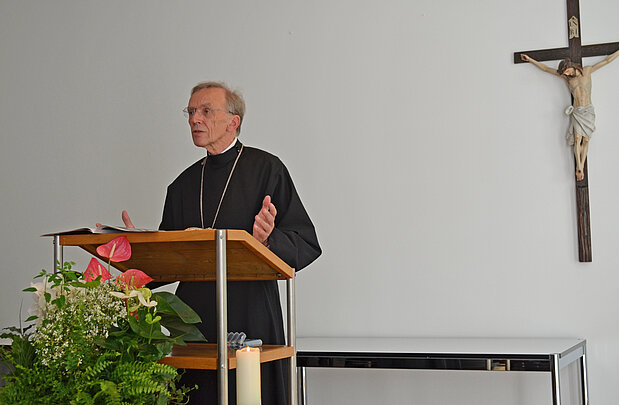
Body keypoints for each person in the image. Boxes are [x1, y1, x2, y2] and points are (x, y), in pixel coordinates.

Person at [122, 81, 322, 404]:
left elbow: (306, 243)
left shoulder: (267, 170)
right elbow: (167, 263)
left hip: (252, 314)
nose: (194, 119)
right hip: (194, 322)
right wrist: (138, 252)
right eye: (190, 112)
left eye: (205, 111)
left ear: (233, 122)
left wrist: (267, 240)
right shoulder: (182, 186)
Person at [521, 50, 619, 180]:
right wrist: (530, 59)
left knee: (586, 140)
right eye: (564, 73)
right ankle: (579, 167)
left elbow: (606, 61)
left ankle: (581, 164)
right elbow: (545, 69)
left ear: (570, 66)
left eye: (566, 71)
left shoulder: (587, 71)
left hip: (588, 110)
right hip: (577, 111)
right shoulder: (567, 79)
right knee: (577, 138)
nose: (565, 74)